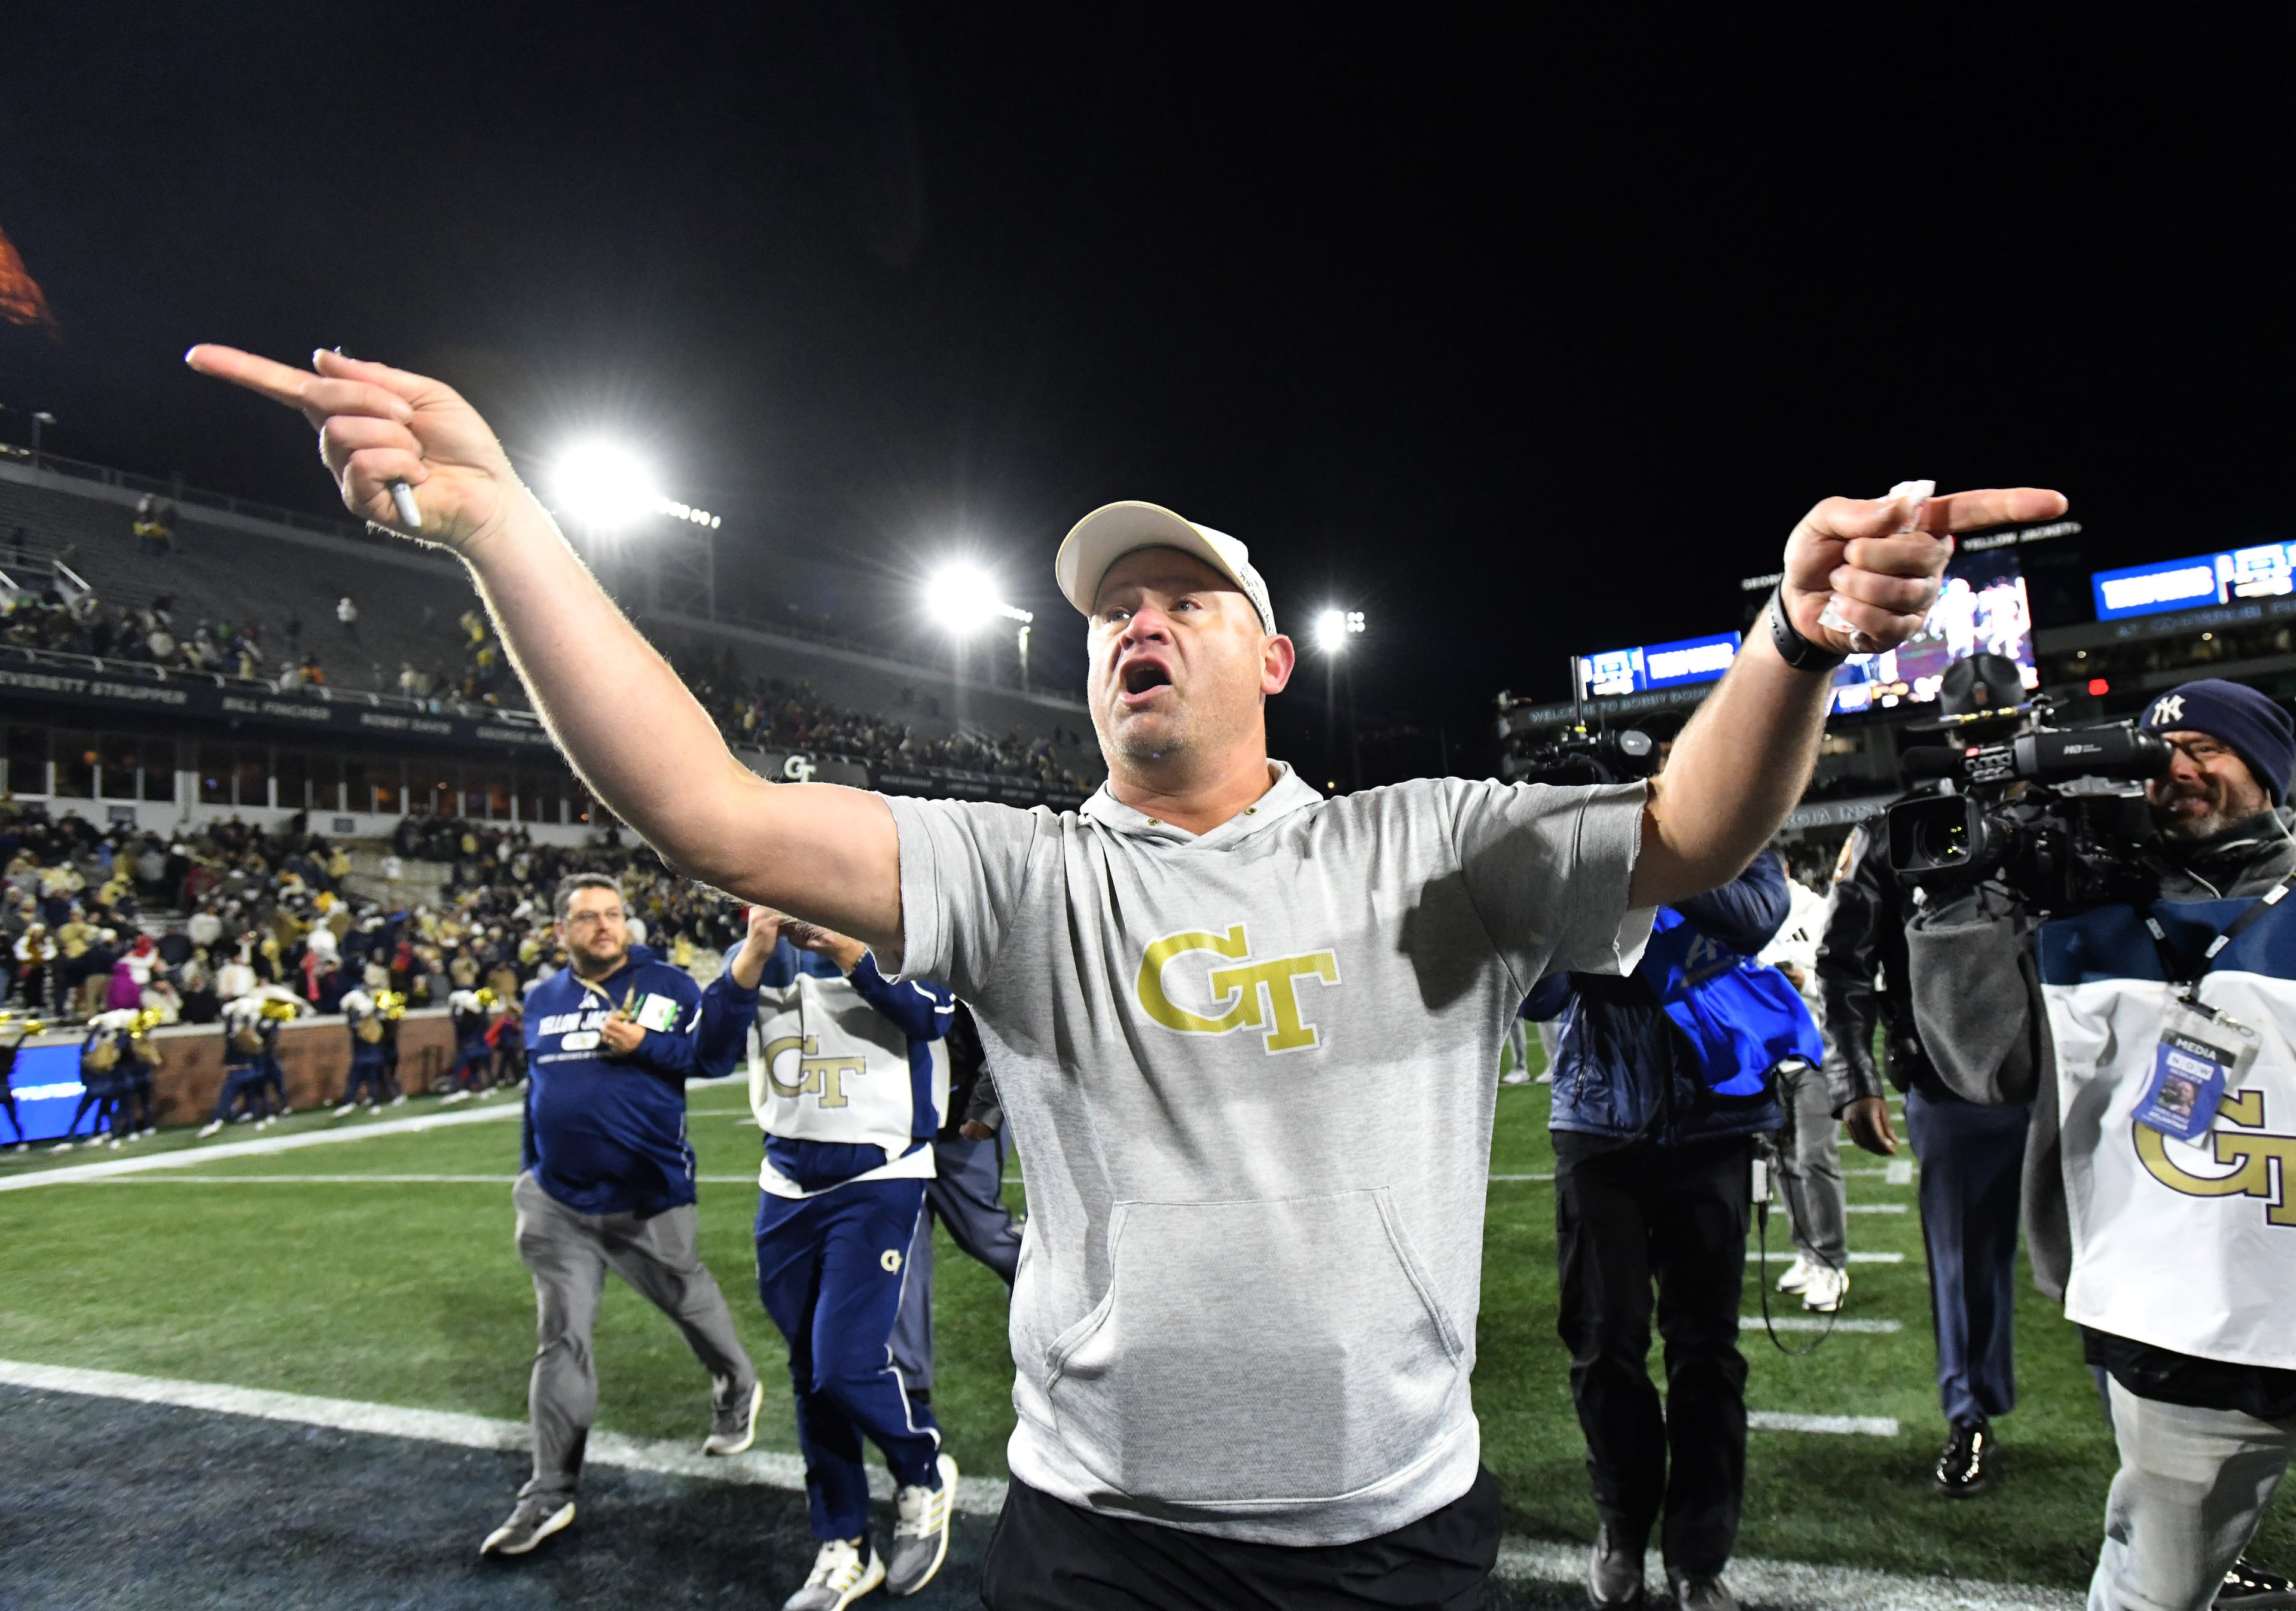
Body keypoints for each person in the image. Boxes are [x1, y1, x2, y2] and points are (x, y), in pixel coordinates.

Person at [190, 341, 2050, 1611]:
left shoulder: (1420, 839)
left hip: (1390, 1533)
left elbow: (1684, 833)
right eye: (1103, 614)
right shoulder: (1020, 872)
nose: (1130, 622)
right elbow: (713, 812)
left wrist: (1795, 641)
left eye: (1177, 598)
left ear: (1267, 660)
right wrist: (508, 521)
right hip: (1093, 1542)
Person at [1907, 678, 2296, 1611]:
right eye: (2156, 753)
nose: (2176, 769)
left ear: (2272, 768)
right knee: (2154, 1590)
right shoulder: (2078, 909)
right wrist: (1961, 898)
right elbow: (1986, 1066)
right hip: (2181, 1321)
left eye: (2208, 747)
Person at [1521, 753, 1808, 1610]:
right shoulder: (1558, 853)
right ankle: (1620, 1525)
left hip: (1710, 1126)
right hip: (1597, 1126)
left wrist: (1651, 849)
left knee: (1705, 1351)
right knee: (1604, 1346)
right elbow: (1542, 999)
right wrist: (1565, 886)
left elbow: (1758, 915)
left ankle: (1698, 1553)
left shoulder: (1720, 827)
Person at [478, 874, 761, 1559]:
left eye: (614, 915)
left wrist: (646, 1047)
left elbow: (714, 1058)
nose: (604, 927)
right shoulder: (543, 998)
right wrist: (530, 1168)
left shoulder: (665, 986)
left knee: (688, 1299)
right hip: (556, 1201)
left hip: (647, 1195)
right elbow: (538, 1088)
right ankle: (548, 1493)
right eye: (588, 918)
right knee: (561, 1339)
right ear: (560, 932)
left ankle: (735, 1382)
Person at [1818, 654, 2035, 1498]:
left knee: (2138, 1254)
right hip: (1951, 1076)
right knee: (1964, 1257)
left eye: (2000, 727)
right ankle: (1969, 1413)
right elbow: (1842, 964)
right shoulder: (1901, 825)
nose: (1986, 744)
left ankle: (2168, 1449)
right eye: (1973, 730)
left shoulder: (2074, 808)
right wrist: (1855, 1077)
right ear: (1948, 731)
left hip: (2085, 1070)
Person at [714, 908, 960, 1607]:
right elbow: (706, 1053)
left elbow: (932, 1017)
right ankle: (846, 1543)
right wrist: (751, 957)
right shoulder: (756, 953)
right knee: (808, 1373)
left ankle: (922, 1469)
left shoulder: (897, 938)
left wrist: (854, 952)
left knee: (843, 1365)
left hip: (879, 1177)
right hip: (785, 1184)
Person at [889, 1001, 1025, 1414]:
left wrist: (986, 1109)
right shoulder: (864, 961)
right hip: (900, 1130)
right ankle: (911, 1387)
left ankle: (1052, 1290)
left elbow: (999, 1023)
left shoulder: (952, 942)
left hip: (961, 1123)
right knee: (905, 1253)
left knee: (984, 1235)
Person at [1757, 849, 1851, 1310]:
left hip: (1815, 1052)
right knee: (1783, 1161)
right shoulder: (1747, 914)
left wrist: (1803, 981)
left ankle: (1832, 1263)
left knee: (1815, 1158)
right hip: (1769, 1058)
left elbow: (1847, 977)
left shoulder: (1816, 910)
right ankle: (1807, 1254)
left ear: (1786, 869)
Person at [334, 986, 392, 1114]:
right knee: (367, 1080)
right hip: (368, 1055)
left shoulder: (365, 1021)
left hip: (364, 1055)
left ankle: (355, 1103)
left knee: (358, 1080)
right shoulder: (368, 1018)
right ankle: (369, 1103)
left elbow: (360, 1028)